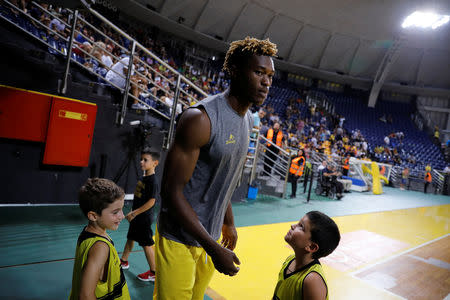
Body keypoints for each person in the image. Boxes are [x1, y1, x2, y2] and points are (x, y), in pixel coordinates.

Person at [154, 37, 277, 300]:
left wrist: (228, 222)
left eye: (270, 75)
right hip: (180, 237)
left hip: (210, 237)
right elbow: (171, 192)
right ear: (234, 70)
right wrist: (213, 248)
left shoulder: (246, 122)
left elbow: (223, 179)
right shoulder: (200, 118)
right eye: (258, 72)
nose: (266, 82)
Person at [69, 178, 130, 300]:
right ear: (93, 216)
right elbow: (86, 295)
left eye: (121, 210)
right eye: (115, 212)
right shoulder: (100, 247)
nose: (122, 216)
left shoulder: (88, 233)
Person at [272, 211, 340, 300]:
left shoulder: (312, 281)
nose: (293, 226)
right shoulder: (291, 259)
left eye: (301, 227)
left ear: (311, 247)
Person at [120, 149, 160, 281]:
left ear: (155, 163)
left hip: (143, 218)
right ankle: (124, 261)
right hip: (136, 216)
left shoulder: (152, 181)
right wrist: (133, 211)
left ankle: (153, 272)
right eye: (141, 159)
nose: (141, 162)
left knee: (146, 244)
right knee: (130, 237)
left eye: (145, 160)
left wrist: (135, 212)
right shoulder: (144, 177)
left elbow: (151, 202)